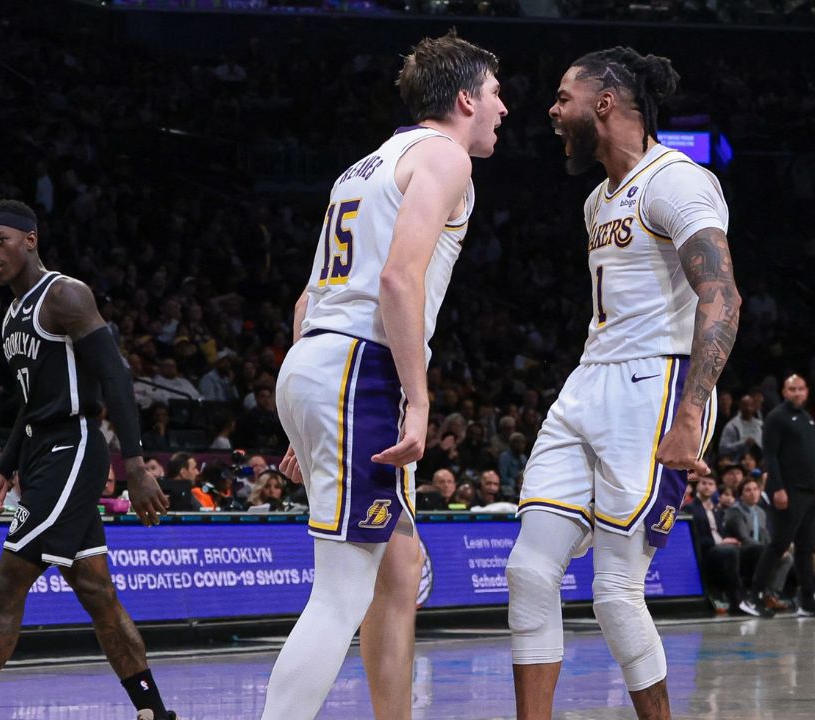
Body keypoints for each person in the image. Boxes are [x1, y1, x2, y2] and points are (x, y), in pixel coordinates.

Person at [264, 31, 506, 720]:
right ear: (464, 98)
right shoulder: (446, 156)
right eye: (494, 93)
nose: (503, 108)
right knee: (341, 593)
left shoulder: (364, 166)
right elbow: (400, 280)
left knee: (399, 573)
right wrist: (420, 402)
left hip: (316, 362)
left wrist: (305, 422)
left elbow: (306, 299)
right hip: (358, 370)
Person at [509, 46, 737, 720]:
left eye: (562, 98)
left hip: (656, 385)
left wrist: (692, 412)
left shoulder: (678, 181)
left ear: (604, 102)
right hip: (589, 381)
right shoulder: (594, 202)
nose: (552, 112)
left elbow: (721, 297)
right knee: (527, 571)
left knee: (614, 590)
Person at [0, 200, 175, 720]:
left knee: (6, 581)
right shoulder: (12, 314)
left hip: (74, 446)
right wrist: (1, 464)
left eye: (0, 240)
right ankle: (154, 712)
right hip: (40, 447)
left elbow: (115, 379)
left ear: (30, 239)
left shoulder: (64, 294)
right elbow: (30, 406)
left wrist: (136, 463)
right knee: (95, 589)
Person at [741, 375, 815, 618]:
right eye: (792, 389)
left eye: (801, 389)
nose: (797, 393)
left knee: (806, 547)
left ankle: (808, 599)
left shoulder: (807, 418)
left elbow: (811, 457)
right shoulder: (776, 417)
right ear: (784, 391)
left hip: (808, 491)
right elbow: (770, 455)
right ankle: (754, 596)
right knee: (779, 544)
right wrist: (777, 488)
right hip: (788, 491)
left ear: (807, 391)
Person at [685, 470, 753, 614]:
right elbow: (694, 537)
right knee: (731, 551)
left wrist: (730, 540)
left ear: (715, 488)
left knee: (753, 550)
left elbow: (722, 531)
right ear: (697, 486)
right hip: (707, 550)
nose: (707, 487)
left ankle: (754, 596)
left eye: (711, 484)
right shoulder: (690, 509)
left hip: (723, 548)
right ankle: (737, 601)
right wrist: (720, 542)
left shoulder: (717, 508)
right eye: (704, 483)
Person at [723, 477, 793, 606]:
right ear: (741, 495)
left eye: (755, 489)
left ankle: (771, 595)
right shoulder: (735, 511)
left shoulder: (760, 512)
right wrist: (770, 551)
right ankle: (757, 594)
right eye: (748, 490)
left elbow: (766, 536)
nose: (753, 493)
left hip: (759, 548)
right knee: (768, 554)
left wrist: (777, 548)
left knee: (788, 556)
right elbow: (744, 538)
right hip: (743, 550)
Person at [718, 394, 762, 463]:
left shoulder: (760, 425)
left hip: (757, 463)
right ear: (740, 406)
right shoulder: (731, 426)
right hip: (737, 462)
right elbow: (722, 449)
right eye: (745, 405)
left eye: (751, 405)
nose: (748, 408)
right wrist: (743, 444)